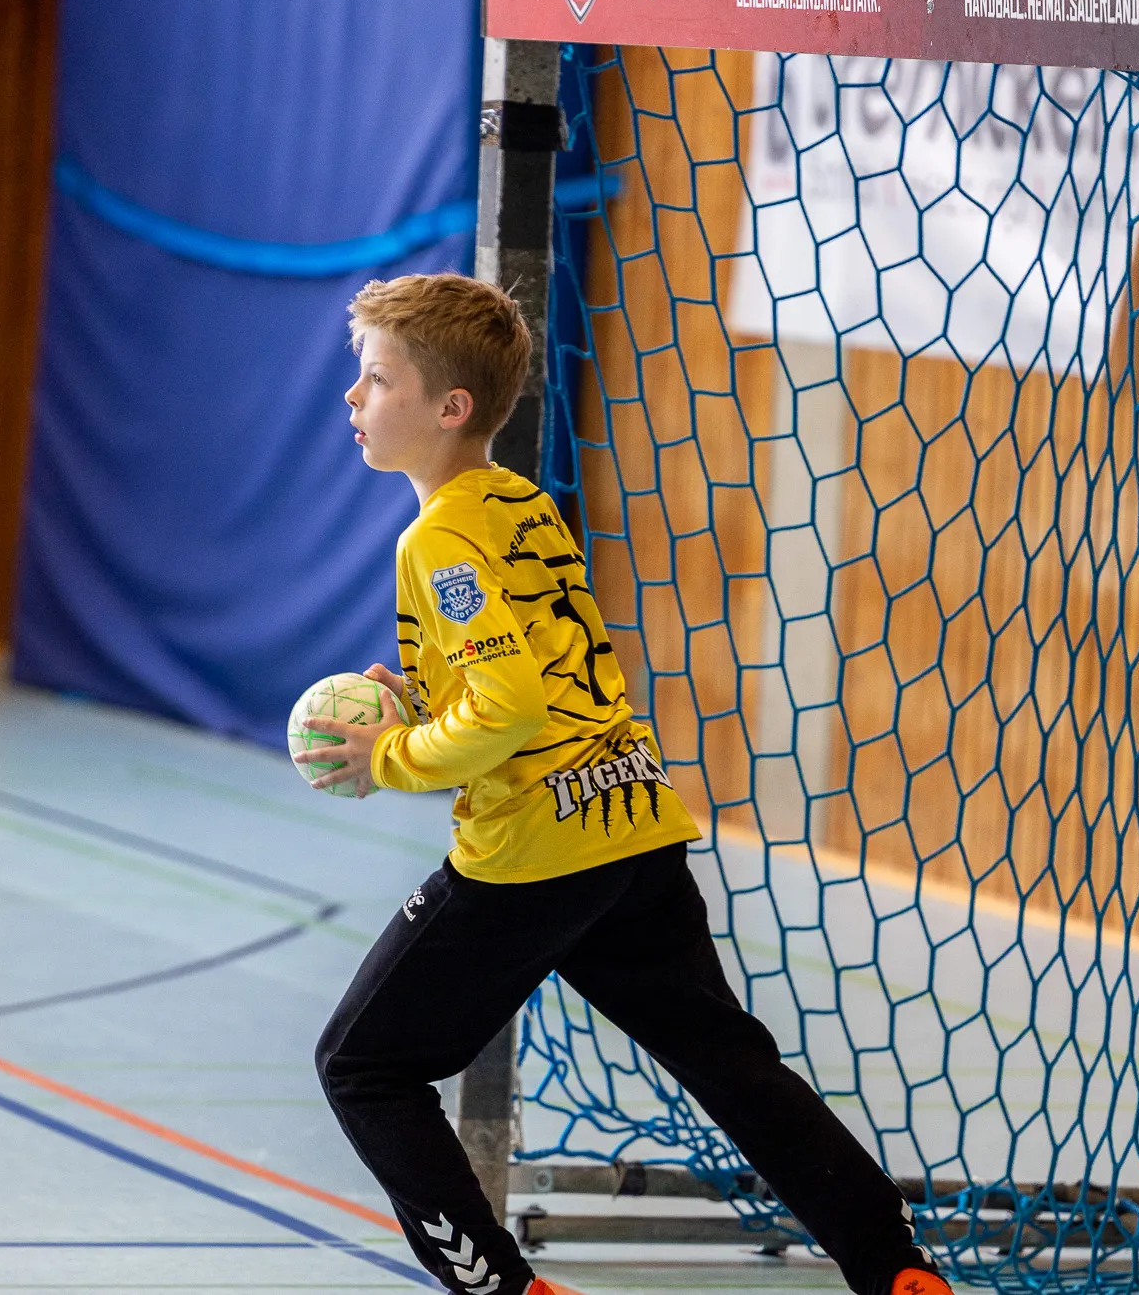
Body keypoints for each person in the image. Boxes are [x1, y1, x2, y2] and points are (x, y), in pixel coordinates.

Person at [296, 272, 950, 1295]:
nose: (353, 399)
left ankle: (502, 1288)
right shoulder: (516, 500)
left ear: (448, 407)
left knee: (363, 1067)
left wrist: (392, 757)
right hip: (630, 821)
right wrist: (427, 708)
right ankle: (894, 1267)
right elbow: (533, 679)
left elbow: (508, 707)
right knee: (728, 1063)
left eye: (376, 380)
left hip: (537, 851)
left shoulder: (438, 539)